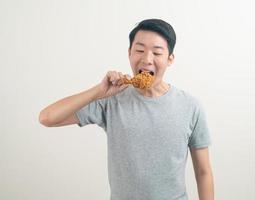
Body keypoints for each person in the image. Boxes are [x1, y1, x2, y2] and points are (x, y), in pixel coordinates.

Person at [39, 19, 214, 200]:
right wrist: (98, 91)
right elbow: (47, 118)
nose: (147, 59)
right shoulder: (111, 100)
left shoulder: (191, 106)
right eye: (139, 50)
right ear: (129, 53)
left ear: (170, 59)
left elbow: (203, 172)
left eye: (157, 52)